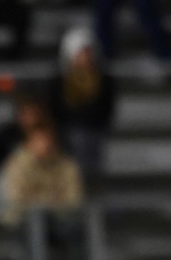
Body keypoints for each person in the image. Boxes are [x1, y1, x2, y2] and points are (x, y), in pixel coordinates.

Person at [0, 122, 88, 260]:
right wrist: (48, 201)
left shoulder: (66, 165)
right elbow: (16, 196)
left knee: (77, 230)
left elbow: (74, 199)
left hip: (58, 220)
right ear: (30, 142)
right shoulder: (19, 163)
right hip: (25, 220)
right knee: (30, 229)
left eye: (48, 140)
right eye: (39, 141)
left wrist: (42, 203)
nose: (44, 145)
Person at [48, 27, 117, 194]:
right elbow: (55, 110)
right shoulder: (59, 82)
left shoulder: (105, 81)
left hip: (94, 134)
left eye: (88, 52)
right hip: (67, 135)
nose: (85, 57)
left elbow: (106, 109)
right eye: (80, 53)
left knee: (90, 165)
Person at [0, 90, 51, 184]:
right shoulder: (4, 137)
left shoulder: (49, 135)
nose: (29, 118)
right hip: (7, 182)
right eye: (24, 112)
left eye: (33, 112)